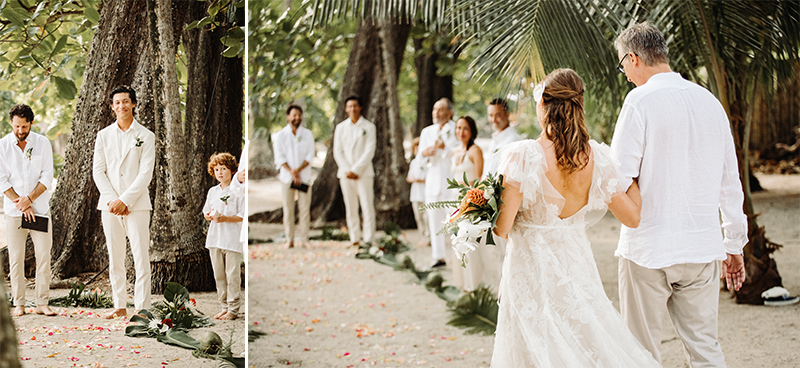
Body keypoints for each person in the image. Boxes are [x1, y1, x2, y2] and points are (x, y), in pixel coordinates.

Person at [491, 68, 659, 367]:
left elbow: (502, 229)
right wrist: (631, 178)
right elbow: (632, 218)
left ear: (542, 102)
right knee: (585, 339)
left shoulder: (521, 156)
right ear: (580, 105)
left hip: (530, 274)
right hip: (576, 267)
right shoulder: (598, 158)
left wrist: (481, 208)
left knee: (536, 346)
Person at [611, 22, 747, 367]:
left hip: (647, 247)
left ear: (633, 57)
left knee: (640, 352)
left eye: (622, 65)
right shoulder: (710, 102)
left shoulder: (639, 101)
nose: (625, 74)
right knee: (705, 348)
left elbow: (618, 176)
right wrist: (734, 244)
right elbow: (730, 181)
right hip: (701, 247)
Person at [93, 85, 156, 319]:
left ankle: (142, 307)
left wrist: (125, 200)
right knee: (115, 256)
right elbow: (98, 172)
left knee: (141, 256)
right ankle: (119, 305)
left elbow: (145, 174)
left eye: (126, 101)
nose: (122, 106)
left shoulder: (146, 136)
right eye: (117, 102)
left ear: (134, 104)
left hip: (137, 205)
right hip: (109, 206)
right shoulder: (103, 135)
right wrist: (113, 201)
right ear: (112, 107)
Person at [0, 104, 56, 317]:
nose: (20, 131)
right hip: (14, 212)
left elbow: (47, 177)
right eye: (16, 126)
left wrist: (29, 199)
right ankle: (19, 304)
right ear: (11, 123)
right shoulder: (3, 145)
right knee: (16, 257)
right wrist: (20, 203)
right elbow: (1, 179)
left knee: (43, 255)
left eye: (24, 126)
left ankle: (42, 302)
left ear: (31, 123)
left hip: (39, 209)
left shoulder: (42, 143)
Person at [203, 153, 244, 320]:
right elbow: (206, 211)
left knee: (232, 274)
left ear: (232, 170)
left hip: (232, 238)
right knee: (219, 274)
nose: (220, 172)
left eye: (224, 169)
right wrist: (210, 215)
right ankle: (223, 305)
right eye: (217, 169)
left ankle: (233, 309)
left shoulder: (238, 192)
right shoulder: (212, 191)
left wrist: (225, 218)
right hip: (215, 238)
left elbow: (242, 215)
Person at [419, 98, 460, 268]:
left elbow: (459, 153)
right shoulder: (427, 132)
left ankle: (460, 257)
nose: (436, 113)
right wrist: (424, 154)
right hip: (432, 181)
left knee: (456, 221)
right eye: (435, 109)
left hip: (451, 182)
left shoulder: (457, 129)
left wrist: (445, 149)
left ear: (449, 113)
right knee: (434, 221)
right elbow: (419, 159)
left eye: (441, 109)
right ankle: (438, 257)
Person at [332, 96, 376, 246]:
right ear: (346, 109)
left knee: (367, 206)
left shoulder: (369, 127)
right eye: (349, 106)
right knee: (350, 207)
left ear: (360, 107)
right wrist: (347, 170)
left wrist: (356, 169)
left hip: (364, 173)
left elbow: (370, 150)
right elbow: (337, 151)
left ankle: (369, 238)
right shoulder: (340, 128)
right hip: (345, 174)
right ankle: (354, 238)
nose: (352, 109)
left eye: (355, 106)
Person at [449, 116, 484, 291]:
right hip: (453, 202)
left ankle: (473, 285)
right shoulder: (454, 151)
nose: (460, 132)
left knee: (468, 241)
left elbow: (479, 182)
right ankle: (462, 283)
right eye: (458, 128)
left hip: (469, 202)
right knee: (456, 242)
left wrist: (466, 188)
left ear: (472, 131)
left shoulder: (475, 151)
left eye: (465, 128)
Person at [272, 105, 314, 248]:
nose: (297, 118)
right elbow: (279, 156)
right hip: (286, 177)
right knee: (288, 210)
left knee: (304, 209)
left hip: (304, 177)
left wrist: (298, 170)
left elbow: (310, 155)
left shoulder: (308, 134)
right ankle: (289, 239)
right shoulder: (280, 135)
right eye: (294, 115)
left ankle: (305, 239)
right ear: (288, 116)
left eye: (299, 115)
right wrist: (291, 171)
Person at [482, 98, 522, 179]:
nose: (493, 120)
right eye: (491, 115)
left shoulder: (513, 141)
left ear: (507, 115)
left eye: (497, 115)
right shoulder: (494, 139)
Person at [405, 137, 429, 245]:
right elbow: (409, 177)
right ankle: (422, 235)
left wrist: (419, 179)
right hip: (415, 193)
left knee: (426, 216)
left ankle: (429, 237)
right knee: (418, 217)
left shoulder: (428, 163)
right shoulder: (414, 163)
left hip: (425, 193)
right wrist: (413, 179)